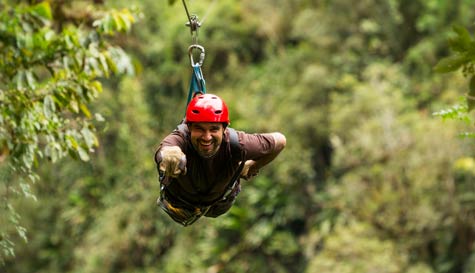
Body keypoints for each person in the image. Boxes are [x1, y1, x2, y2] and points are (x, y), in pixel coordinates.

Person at [154, 93, 286, 226]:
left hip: (218, 204)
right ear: (189, 128)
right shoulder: (180, 138)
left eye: (214, 129)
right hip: (179, 203)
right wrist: (170, 156)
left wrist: (252, 166)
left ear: (224, 129)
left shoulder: (238, 144)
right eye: (199, 129)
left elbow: (280, 141)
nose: (207, 137)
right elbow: (166, 150)